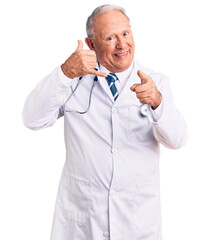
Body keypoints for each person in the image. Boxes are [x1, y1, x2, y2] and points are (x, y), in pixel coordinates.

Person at [22, 4, 188, 240]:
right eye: (110, 37)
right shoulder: (74, 80)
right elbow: (32, 119)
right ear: (91, 45)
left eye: (126, 34)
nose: (122, 45)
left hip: (137, 223)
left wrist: (157, 102)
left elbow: (178, 140)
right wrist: (65, 72)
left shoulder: (156, 83)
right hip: (82, 223)